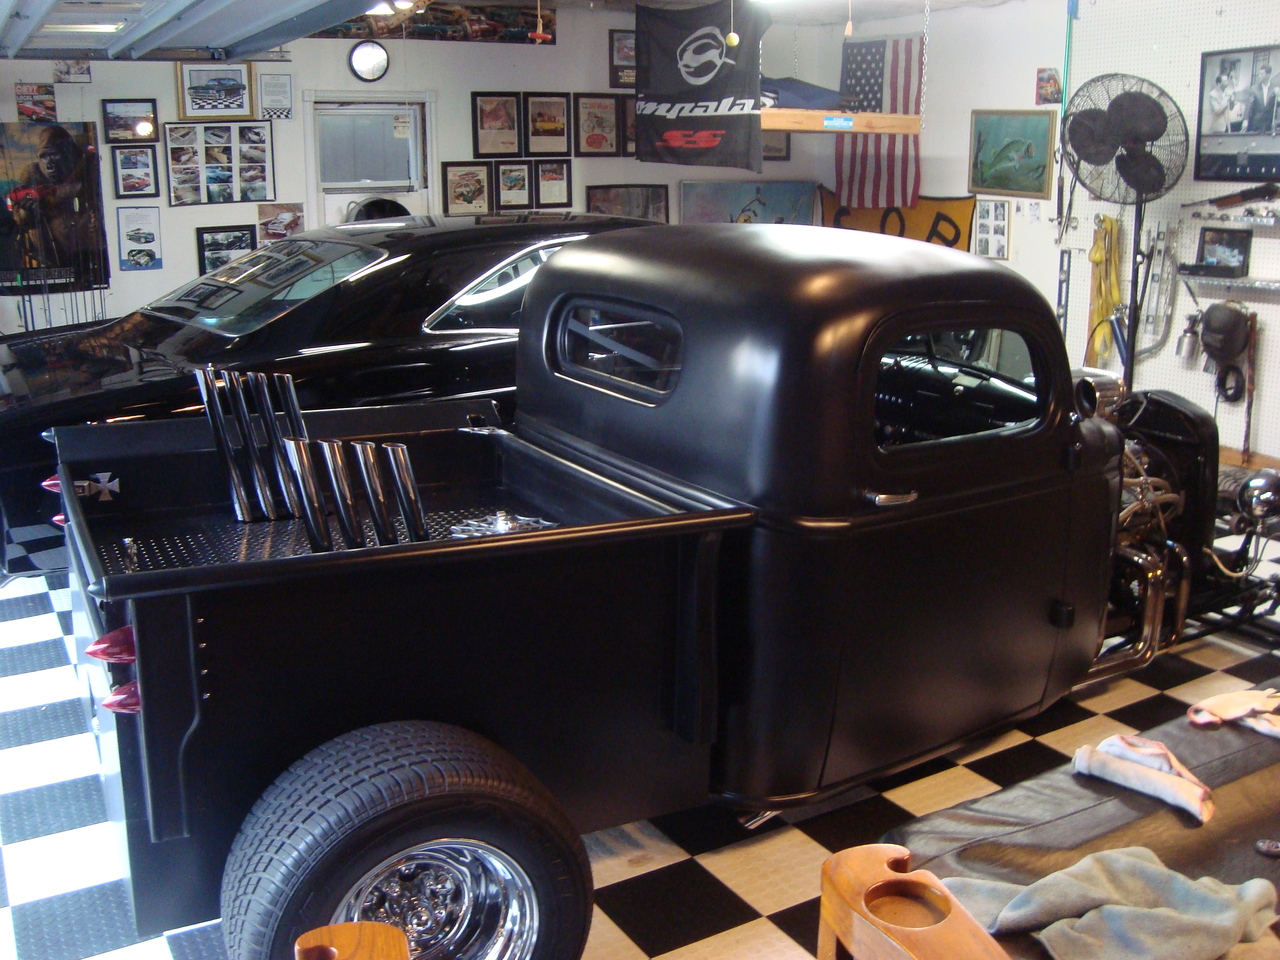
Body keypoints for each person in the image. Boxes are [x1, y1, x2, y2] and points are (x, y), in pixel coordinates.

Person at [8, 124, 106, 284]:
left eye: (54, 155)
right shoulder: (33, 172)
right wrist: (27, 210)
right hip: (51, 247)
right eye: (44, 156)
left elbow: (93, 198)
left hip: (86, 241)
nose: (49, 165)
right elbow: (20, 218)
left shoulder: (87, 165)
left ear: (67, 152)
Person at [1248, 65, 1275, 133]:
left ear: (1268, 75)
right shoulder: (1254, 88)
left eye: (1262, 74)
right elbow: (1249, 105)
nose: (1259, 76)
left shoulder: (1274, 88)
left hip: (1269, 124)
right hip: (1256, 123)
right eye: (1259, 74)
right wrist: (1245, 120)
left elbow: (1277, 105)